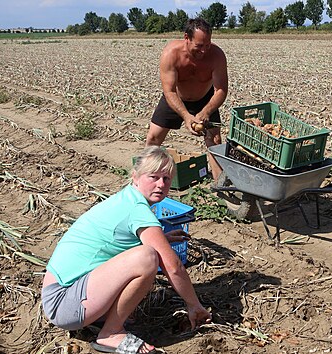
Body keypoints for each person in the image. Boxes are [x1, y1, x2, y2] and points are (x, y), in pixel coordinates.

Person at [41, 146, 211, 354]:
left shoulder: (127, 199)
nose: (160, 184)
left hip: (61, 294)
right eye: (153, 177)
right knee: (148, 257)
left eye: (166, 179)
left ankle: (104, 318)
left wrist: (162, 239)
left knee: (149, 252)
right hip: (64, 304)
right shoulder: (137, 210)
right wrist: (193, 305)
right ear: (135, 177)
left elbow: (116, 245)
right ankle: (110, 333)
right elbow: (173, 267)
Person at [145, 18, 228, 182]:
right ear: (186, 38)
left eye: (207, 45)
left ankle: (220, 186)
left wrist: (205, 112)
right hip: (176, 98)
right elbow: (169, 91)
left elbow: (221, 90)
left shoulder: (217, 56)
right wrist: (186, 116)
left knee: (215, 140)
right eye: (199, 46)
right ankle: (146, 178)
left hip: (205, 99)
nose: (204, 50)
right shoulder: (171, 54)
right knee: (153, 138)